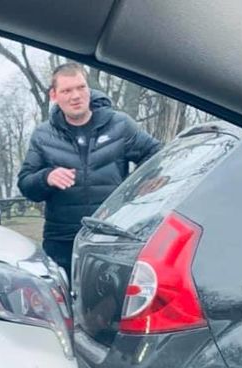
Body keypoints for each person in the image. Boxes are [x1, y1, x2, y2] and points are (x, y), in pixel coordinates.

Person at [18, 62, 161, 281]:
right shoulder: (43, 135)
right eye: (67, 90)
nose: (76, 96)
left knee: (111, 300)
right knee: (63, 300)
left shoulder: (119, 125)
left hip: (112, 236)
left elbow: (156, 154)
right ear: (54, 95)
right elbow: (26, 184)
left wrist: (139, 184)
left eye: (81, 87)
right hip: (62, 241)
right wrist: (46, 177)